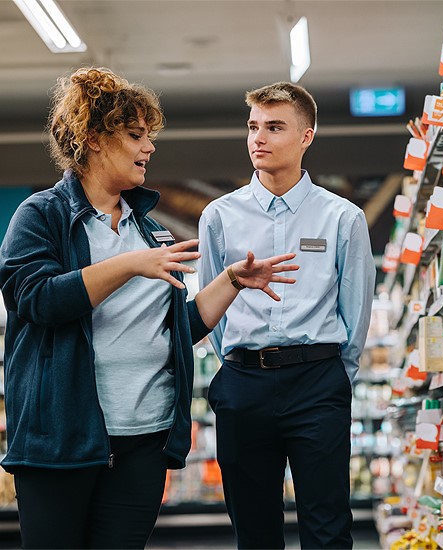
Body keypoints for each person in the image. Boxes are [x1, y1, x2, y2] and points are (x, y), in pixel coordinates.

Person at [0, 67, 299, 550]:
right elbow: (34, 299)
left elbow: (172, 329)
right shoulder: (42, 215)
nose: (150, 148)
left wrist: (230, 283)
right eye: (137, 135)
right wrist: (128, 265)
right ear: (94, 139)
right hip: (63, 440)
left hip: (144, 438)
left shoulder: (147, 228)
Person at [198, 81, 376, 549]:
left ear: (306, 136)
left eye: (274, 127)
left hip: (317, 382)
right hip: (243, 384)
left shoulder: (342, 218)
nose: (259, 138)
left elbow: (356, 311)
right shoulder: (219, 216)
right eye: (253, 126)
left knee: (328, 527)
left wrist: (337, 377)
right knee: (254, 531)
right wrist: (237, 365)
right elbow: (210, 307)